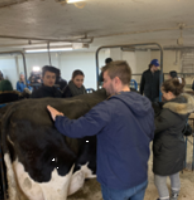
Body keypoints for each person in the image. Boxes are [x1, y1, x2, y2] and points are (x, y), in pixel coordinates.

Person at [47, 61, 154, 200]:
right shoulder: (146, 104)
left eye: (105, 80)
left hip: (116, 183)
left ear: (116, 81)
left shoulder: (107, 108)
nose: (103, 85)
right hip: (140, 178)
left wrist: (59, 119)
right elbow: (150, 134)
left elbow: (76, 129)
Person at [153, 78, 194, 200]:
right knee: (174, 173)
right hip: (178, 146)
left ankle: (164, 198)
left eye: (163, 92)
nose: (162, 94)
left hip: (166, 148)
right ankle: (175, 195)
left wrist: (155, 114)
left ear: (170, 93)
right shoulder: (183, 104)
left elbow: (153, 127)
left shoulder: (168, 113)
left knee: (159, 179)